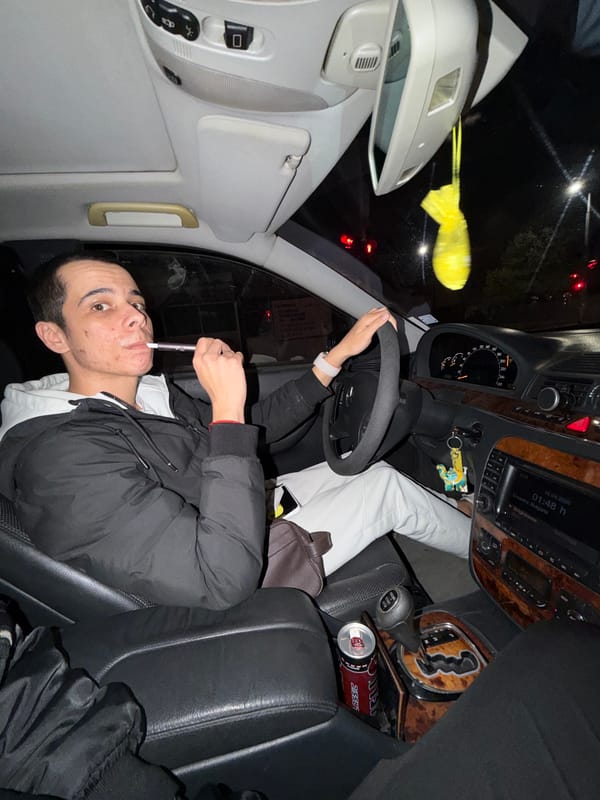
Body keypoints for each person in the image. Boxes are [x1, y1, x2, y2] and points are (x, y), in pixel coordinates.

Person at [0, 253, 470, 609]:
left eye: (136, 302)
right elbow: (218, 579)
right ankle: (495, 553)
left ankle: (472, 521)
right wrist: (226, 407)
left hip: (232, 518)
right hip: (227, 581)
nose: (136, 317)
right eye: (101, 306)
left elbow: (250, 433)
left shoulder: (147, 396)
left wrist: (334, 359)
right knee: (386, 489)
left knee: (371, 467)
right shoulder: (61, 458)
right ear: (54, 336)